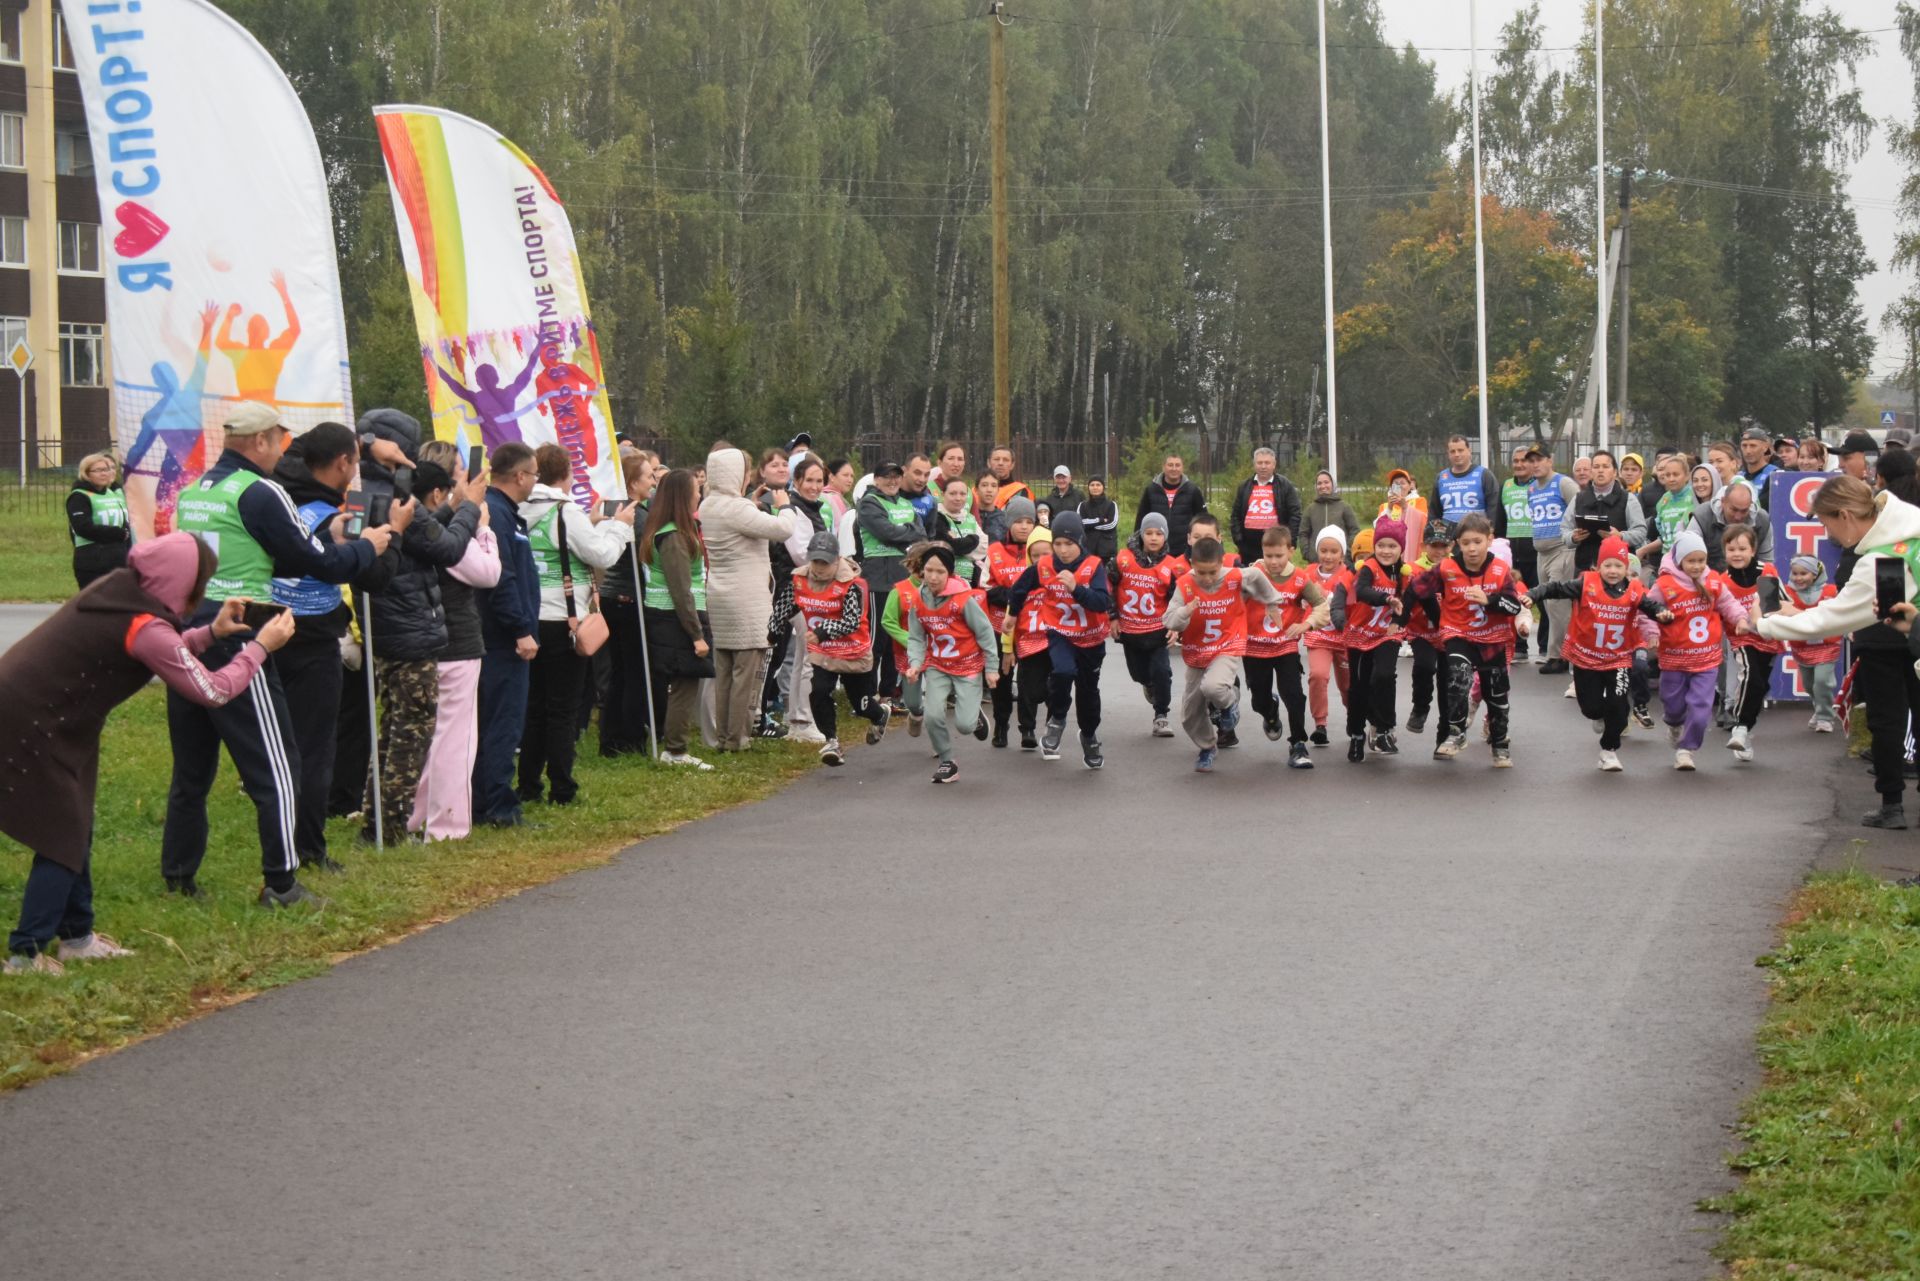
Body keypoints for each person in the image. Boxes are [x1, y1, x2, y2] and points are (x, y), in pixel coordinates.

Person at [2, 534, 298, 974]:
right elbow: (212, 690)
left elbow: (168, 650)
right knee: (62, 834)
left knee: (74, 822)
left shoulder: (119, 592)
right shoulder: (144, 626)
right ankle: (25, 954)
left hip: (44, 715)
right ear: (182, 583)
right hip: (33, 724)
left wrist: (211, 633)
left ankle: (77, 937)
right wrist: (259, 648)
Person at [165, 401, 391, 905]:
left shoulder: (199, 489)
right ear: (261, 440)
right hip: (242, 628)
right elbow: (314, 562)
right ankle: (283, 882)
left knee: (193, 768)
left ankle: (179, 877)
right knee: (280, 763)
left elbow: (255, 544)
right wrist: (367, 546)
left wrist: (323, 538)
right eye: (278, 442)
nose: (282, 454)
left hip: (193, 629)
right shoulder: (261, 491)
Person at [270, 422, 401, 871]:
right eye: (355, 460)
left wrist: (364, 441)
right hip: (314, 637)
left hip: (272, 628)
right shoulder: (332, 517)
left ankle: (283, 839)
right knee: (315, 747)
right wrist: (392, 536)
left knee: (281, 745)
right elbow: (374, 578)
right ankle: (307, 848)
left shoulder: (281, 496)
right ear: (344, 463)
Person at [1758, 476, 1920, 825]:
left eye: (1827, 523)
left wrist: (1762, 624)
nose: (1829, 534)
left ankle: (1892, 805)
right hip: (1909, 639)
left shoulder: (1882, 559)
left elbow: (1833, 619)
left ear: (1845, 514)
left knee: (1887, 721)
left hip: (1882, 642)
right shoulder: (1909, 527)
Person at [366, 455, 482, 838]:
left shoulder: (369, 496)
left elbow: (426, 539)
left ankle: (376, 818)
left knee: (390, 729)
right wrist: (468, 507)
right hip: (411, 630)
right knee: (410, 733)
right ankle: (391, 825)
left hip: (388, 630)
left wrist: (451, 508)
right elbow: (447, 549)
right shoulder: (399, 504)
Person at [410, 441, 501, 842]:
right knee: (453, 738)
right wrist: (483, 529)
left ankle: (415, 817)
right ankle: (447, 826)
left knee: (426, 735)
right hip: (456, 640)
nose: (469, 478)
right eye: (462, 471)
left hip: (426, 636)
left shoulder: (414, 520)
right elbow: (487, 572)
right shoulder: (448, 527)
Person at [1530, 536, 1662, 771]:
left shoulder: (1633, 590)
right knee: (1590, 707)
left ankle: (1609, 751)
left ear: (1626, 569)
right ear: (1597, 567)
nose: (1613, 571)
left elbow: (1651, 606)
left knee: (1619, 707)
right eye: (1607, 565)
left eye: (1618, 566)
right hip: (1586, 657)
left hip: (1618, 658)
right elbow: (1556, 588)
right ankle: (1599, 716)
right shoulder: (1585, 584)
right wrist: (1532, 595)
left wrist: (1662, 613)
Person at [1160, 536, 1289, 773]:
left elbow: (1258, 575)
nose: (1208, 578)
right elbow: (1169, 620)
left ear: (1221, 563)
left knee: (1214, 687)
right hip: (1197, 652)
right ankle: (1207, 747)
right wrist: (1185, 611)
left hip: (1227, 646)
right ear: (1192, 566)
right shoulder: (1185, 585)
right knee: (1189, 715)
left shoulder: (1235, 576)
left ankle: (1229, 706)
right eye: (1201, 572)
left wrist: (1272, 602)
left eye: (1212, 572)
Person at [1409, 512, 1527, 767]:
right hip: (1458, 633)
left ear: (1489, 540)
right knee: (1457, 677)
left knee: (1496, 696)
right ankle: (1456, 732)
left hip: (1492, 638)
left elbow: (1514, 606)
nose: (1472, 549)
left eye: (1477, 542)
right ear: (1457, 545)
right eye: (1465, 543)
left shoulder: (1500, 569)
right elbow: (1416, 588)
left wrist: (1490, 599)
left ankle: (1500, 744)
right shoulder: (1447, 568)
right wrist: (1399, 617)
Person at [699, 446, 795, 751]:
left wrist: (751, 504)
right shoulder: (737, 509)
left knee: (725, 669)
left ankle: (724, 735)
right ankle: (737, 737)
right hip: (747, 599)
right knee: (745, 672)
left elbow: (740, 523)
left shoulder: (710, 504)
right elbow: (783, 530)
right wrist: (785, 504)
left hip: (720, 594)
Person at [769, 530, 888, 767]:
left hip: (852, 651)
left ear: (837, 560)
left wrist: (823, 631)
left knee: (861, 704)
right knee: (819, 692)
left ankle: (879, 714)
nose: (820, 568)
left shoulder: (852, 584)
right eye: (816, 561)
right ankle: (832, 740)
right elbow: (785, 605)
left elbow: (852, 620)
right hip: (823, 651)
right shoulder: (800, 579)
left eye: (825, 562)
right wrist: (774, 629)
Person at [1005, 511, 1111, 767]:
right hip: (1060, 633)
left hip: (1091, 638)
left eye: (1069, 544)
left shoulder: (1093, 566)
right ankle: (1057, 721)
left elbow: (1103, 602)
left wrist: (1077, 588)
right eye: (1058, 544)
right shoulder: (1045, 566)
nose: (1063, 551)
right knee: (1062, 672)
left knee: (1088, 694)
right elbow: (1020, 588)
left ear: (1080, 542)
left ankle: (1088, 735)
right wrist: (1012, 614)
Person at [471, 443, 541, 822]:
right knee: (502, 723)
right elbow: (502, 579)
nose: (534, 483)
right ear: (519, 476)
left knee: (492, 722)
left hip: (499, 637)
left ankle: (483, 801)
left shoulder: (504, 513)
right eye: (533, 475)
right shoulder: (497, 514)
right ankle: (498, 806)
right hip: (502, 640)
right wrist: (520, 629)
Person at [1642, 530, 1753, 771]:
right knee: (1673, 706)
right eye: (1691, 561)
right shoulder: (1665, 584)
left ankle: (1686, 750)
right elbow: (1648, 609)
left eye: (1701, 561)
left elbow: (1728, 604)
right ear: (1680, 560)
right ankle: (1673, 724)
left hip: (1706, 659)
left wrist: (1741, 620)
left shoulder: (1713, 581)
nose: (1696, 566)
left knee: (1701, 708)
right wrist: (1652, 634)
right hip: (1674, 659)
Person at [635, 470, 716, 769]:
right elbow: (680, 590)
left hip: (673, 616)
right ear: (683, 496)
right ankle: (676, 751)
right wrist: (696, 634)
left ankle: (674, 747)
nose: (699, 494)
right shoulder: (674, 537)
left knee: (684, 682)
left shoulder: (675, 530)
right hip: (674, 618)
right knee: (685, 682)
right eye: (696, 490)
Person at [905, 544, 999, 783]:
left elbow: (985, 632)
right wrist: (915, 664)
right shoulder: (918, 600)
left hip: (967, 665)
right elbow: (916, 637)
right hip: (938, 665)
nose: (934, 577)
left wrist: (991, 668)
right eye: (929, 570)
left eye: (940, 572)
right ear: (922, 571)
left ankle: (973, 715)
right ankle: (948, 761)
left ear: (950, 574)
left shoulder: (962, 599)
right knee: (933, 715)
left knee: (965, 726)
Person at [1242, 524, 1328, 768]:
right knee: (1258, 699)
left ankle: (1298, 744)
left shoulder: (1300, 578)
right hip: (1254, 647)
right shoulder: (1253, 574)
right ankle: (1270, 712)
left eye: (1279, 556)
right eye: (1268, 556)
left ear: (1290, 551)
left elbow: (1322, 606)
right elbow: (1231, 595)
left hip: (1285, 646)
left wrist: (1307, 624)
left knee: (1294, 695)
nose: (1273, 561)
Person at [601, 451, 661, 757]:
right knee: (635, 672)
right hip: (628, 596)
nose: (653, 480)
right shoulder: (637, 515)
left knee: (620, 671)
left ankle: (611, 739)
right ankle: (630, 738)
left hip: (613, 595)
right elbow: (646, 558)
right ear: (632, 482)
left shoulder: (614, 509)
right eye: (649, 475)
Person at [1343, 516, 1413, 761]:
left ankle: (1384, 728)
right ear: (1374, 547)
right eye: (1381, 545)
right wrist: (1386, 600)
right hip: (1360, 634)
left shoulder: (1404, 573)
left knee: (1384, 676)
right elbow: (1361, 592)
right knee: (1359, 686)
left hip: (1387, 634)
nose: (1385, 551)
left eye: (1392, 546)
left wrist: (1398, 621)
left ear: (1401, 548)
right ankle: (1356, 734)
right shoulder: (1368, 568)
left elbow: (1408, 604)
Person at [857, 461, 925, 702]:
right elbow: (886, 532)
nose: (892, 481)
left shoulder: (906, 503)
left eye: (896, 476)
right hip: (878, 579)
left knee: (895, 641)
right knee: (876, 640)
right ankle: (865, 695)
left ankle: (887, 694)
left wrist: (901, 532)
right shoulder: (868, 503)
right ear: (876, 480)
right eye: (886, 476)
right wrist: (905, 533)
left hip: (903, 578)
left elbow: (922, 534)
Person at [1113, 511, 1181, 737]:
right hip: (1130, 630)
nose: (1153, 538)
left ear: (1165, 537)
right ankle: (1148, 684)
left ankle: (1161, 715)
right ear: (1141, 534)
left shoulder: (1171, 566)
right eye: (1149, 533)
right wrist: (1112, 617)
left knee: (1162, 671)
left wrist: (1174, 626)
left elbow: (1176, 599)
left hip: (1157, 630)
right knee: (1139, 674)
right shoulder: (1123, 559)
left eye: (1158, 533)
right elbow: (1107, 587)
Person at [1720, 523, 1783, 763]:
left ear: (1753, 550)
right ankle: (1739, 726)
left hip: (1767, 635)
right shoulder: (1722, 581)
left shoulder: (1767, 570)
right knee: (1751, 675)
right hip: (1741, 638)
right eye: (1731, 549)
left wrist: (1758, 621)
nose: (1736, 554)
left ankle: (1745, 730)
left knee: (1759, 686)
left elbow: (1770, 607)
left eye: (1742, 548)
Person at [981, 497, 1039, 747]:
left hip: (1030, 628)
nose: (1024, 526)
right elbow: (985, 587)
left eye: (1029, 521)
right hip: (999, 625)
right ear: (1008, 523)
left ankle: (1028, 728)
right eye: (1019, 521)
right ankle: (1001, 725)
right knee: (1002, 680)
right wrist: (1013, 596)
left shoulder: (1039, 550)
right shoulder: (994, 551)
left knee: (1028, 680)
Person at [1527, 446, 1580, 673]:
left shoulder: (1563, 483)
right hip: (1542, 552)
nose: (1535, 464)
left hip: (1562, 550)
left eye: (1539, 460)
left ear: (1550, 460)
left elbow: (1580, 507)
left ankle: (1559, 656)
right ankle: (1559, 651)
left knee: (1559, 604)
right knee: (1548, 605)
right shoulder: (1531, 488)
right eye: (1531, 461)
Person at [1304, 526, 1353, 746]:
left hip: (1345, 638)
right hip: (1319, 637)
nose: (1328, 556)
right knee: (1317, 675)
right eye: (1323, 550)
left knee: (1348, 686)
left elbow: (1351, 604)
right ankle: (1320, 725)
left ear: (1342, 554)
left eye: (1334, 551)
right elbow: (1297, 599)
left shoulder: (1350, 575)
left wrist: (1327, 595)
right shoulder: (1308, 573)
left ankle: (1356, 718)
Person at [1405, 520, 1452, 737]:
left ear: (1451, 546)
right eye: (1434, 546)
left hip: (1450, 633)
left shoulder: (1456, 568)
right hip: (1421, 630)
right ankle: (1420, 707)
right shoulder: (1413, 570)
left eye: (1444, 546)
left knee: (1447, 682)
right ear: (1425, 546)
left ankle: (1445, 733)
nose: (1439, 551)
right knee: (1424, 666)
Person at [1783, 555, 1840, 733]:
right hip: (1802, 645)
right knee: (1809, 684)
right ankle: (1820, 706)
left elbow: (1842, 614)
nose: (1798, 578)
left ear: (1815, 574)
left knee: (1822, 681)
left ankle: (1825, 717)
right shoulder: (1787, 593)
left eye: (1804, 573)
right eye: (1795, 573)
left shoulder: (1831, 591)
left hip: (1827, 644)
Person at [1569, 450, 1647, 573]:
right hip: (1585, 568)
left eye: (1605, 466)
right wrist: (1573, 537)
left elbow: (1641, 531)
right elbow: (1564, 529)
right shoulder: (1578, 498)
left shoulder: (1628, 499)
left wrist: (1620, 536)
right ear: (1591, 471)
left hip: (1618, 571)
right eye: (1596, 467)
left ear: (1615, 472)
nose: (1600, 470)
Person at [1229, 447, 1304, 564]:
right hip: (1248, 548)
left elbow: (1295, 514)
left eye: (1267, 463)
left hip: (1277, 545)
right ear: (1254, 464)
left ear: (1274, 464)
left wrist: (1290, 542)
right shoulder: (1244, 486)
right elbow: (1235, 515)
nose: (1263, 466)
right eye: (1259, 463)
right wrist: (1239, 540)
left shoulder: (1285, 485)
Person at [67, 452, 131, 587]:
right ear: (86, 473)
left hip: (117, 558)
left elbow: (124, 522)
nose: (104, 474)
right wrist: (117, 534)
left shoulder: (112, 493)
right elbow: (83, 527)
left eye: (106, 469)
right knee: (95, 603)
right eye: (98, 470)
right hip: (92, 560)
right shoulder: (79, 496)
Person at [1500, 446, 1536, 659]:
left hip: (1535, 550)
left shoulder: (1538, 485)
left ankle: (1544, 647)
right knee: (1514, 599)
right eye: (1516, 460)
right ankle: (1519, 646)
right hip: (1513, 553)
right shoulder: (1505, 485)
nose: (1520, 465)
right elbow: (1500, 520)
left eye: (1524, 460)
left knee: (1538, 598)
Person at [1691, 478, 1773, 572]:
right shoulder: (1702, 516)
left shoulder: (1762, 520)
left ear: (1750, 505)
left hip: (1750, 580)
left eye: (1744, 511)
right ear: (1723, 502)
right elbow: (1689, 555)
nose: (1738, 517)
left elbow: (1767, 563)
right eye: (1734, 510)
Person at [1637, 454, 1697, 581]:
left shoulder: (1694, 497)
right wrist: (1643, 550)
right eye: (1668, 475)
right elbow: (1664, 538)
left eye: (1676, 474)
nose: (1671, 478)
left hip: (1690, 562)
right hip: (1668, 563)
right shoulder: (1663, 501)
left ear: (1687, 476)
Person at [1136, 454, 1209, 557]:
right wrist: (1138, 544)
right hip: (1156, 550)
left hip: (1184, 550)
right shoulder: (1151, 490)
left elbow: (1203, 519)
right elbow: (1141, 518)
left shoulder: (1193, 490)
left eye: (1177, 465)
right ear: (1163, 467)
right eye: (1170, 465)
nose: (1174, 468)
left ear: (1182, 468)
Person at [1434, 435, 1504, 531]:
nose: (1457, 454)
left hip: (1475, 537)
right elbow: (1435, 512)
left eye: (1460, 450)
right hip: (1448, 539)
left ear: (1469, 451)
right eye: (1452, 451)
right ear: (1448, 454)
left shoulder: (1484, 475)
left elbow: (1494, 509)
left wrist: (1490, 532)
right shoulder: (1441, 478)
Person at [926, 474, 986, 585]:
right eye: (952, 494)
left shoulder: (970, 518)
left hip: (969, 582)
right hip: (943, 581)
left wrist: (960, 546)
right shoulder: (936, 516)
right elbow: (949, 547)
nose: (958, 498)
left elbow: (984, 548)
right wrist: (974, 539)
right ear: (943, 495)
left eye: (962, 494)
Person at [1304, 470, 1361, 550]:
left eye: (1326, 482)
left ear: (1332, 484)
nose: (1323, 486)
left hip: (1341, 559)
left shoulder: (1344, 507)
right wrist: (1308, 553)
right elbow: (1303, 534)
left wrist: (1346, 550)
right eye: (1319, 483)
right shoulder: (1310, 510)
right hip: (1316, 560)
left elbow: (1355, 530)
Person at [1376, 470, 1429, 550]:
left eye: (1402, 483)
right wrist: (1389, 508)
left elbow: (1424, 522)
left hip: (1413, 547)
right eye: (1396, 484)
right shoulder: (1384, 506)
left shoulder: (1419, 501)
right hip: (1391, 549)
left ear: (1409, 486)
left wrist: (1405, 507)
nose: (1399, 486)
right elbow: (1379, 529)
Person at [1077, 477, 1119, 566]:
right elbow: (1079, 523)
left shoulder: (1111, 505)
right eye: (1092, 485)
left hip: (1107, 549)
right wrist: (1100, 520)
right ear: (1088, 487)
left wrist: (1090, 525)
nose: (1095, 487)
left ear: (1103, 487)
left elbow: (1111, 524)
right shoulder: (1082, 506)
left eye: (1098, 485)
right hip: (1088, 548)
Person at [1739, 424, 1780, 494]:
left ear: (1765, 448)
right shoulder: (1739, 476)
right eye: (1744, 445)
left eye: (1753, 446)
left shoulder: (1775, 475)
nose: (1748, 451)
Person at [901, 453, 937, 522]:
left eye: (926, 475)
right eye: (917, 473)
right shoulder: (888, 495)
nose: (922, 479)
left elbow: (930, 532)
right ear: (904, 471)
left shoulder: (931, 503)